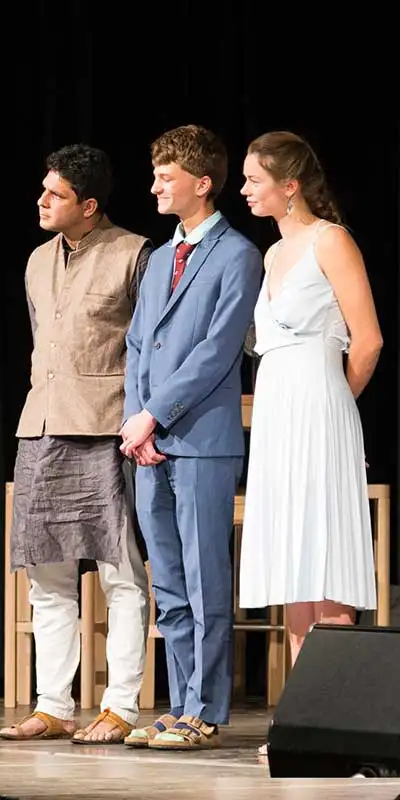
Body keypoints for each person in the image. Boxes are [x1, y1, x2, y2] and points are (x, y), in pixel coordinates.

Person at [0, 143, 152, 744]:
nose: (42, 200)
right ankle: (54, 703)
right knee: (47, 576)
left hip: (104, 429)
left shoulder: (135, 254)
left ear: (88, 205)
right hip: (41, 426)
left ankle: (120, 705)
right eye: (43, 189)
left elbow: (148, 347)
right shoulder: (38, 260)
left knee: (120, 573)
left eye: (55, 194)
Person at [120, 125, 262, 750]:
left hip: (200, 439)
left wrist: (156, 414)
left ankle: (204, 709)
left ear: (201, 184)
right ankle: (178, 706)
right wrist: (136, 421)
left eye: (166, 176)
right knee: (169, 583)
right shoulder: (157, 257)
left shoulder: (236, 254)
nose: (154, 185)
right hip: (148, 443)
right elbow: (136, 345)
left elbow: (217, 350)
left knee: (206, 583)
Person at [239, 132, 382, 744]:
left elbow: (368, 340)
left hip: (320, 406)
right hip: (276, 413)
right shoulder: (273, 255)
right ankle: (305, 718)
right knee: (294, 561)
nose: (244, 190)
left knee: (324, 556)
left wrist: (331, 403)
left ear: (289, 185)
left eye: (254, 180)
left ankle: (340, 716)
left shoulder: (332, 240)